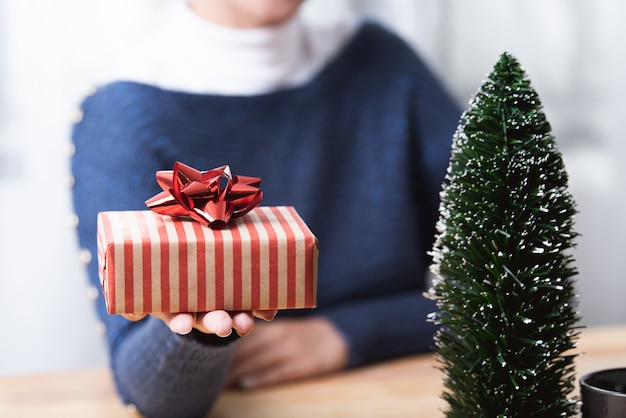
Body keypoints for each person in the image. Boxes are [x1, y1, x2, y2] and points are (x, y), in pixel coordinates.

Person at [71, 0, 461, 417]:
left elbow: (524, 275)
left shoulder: (384, 62)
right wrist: (196, 336)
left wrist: (356, 332)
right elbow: (150, 395)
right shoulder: (121, 114)